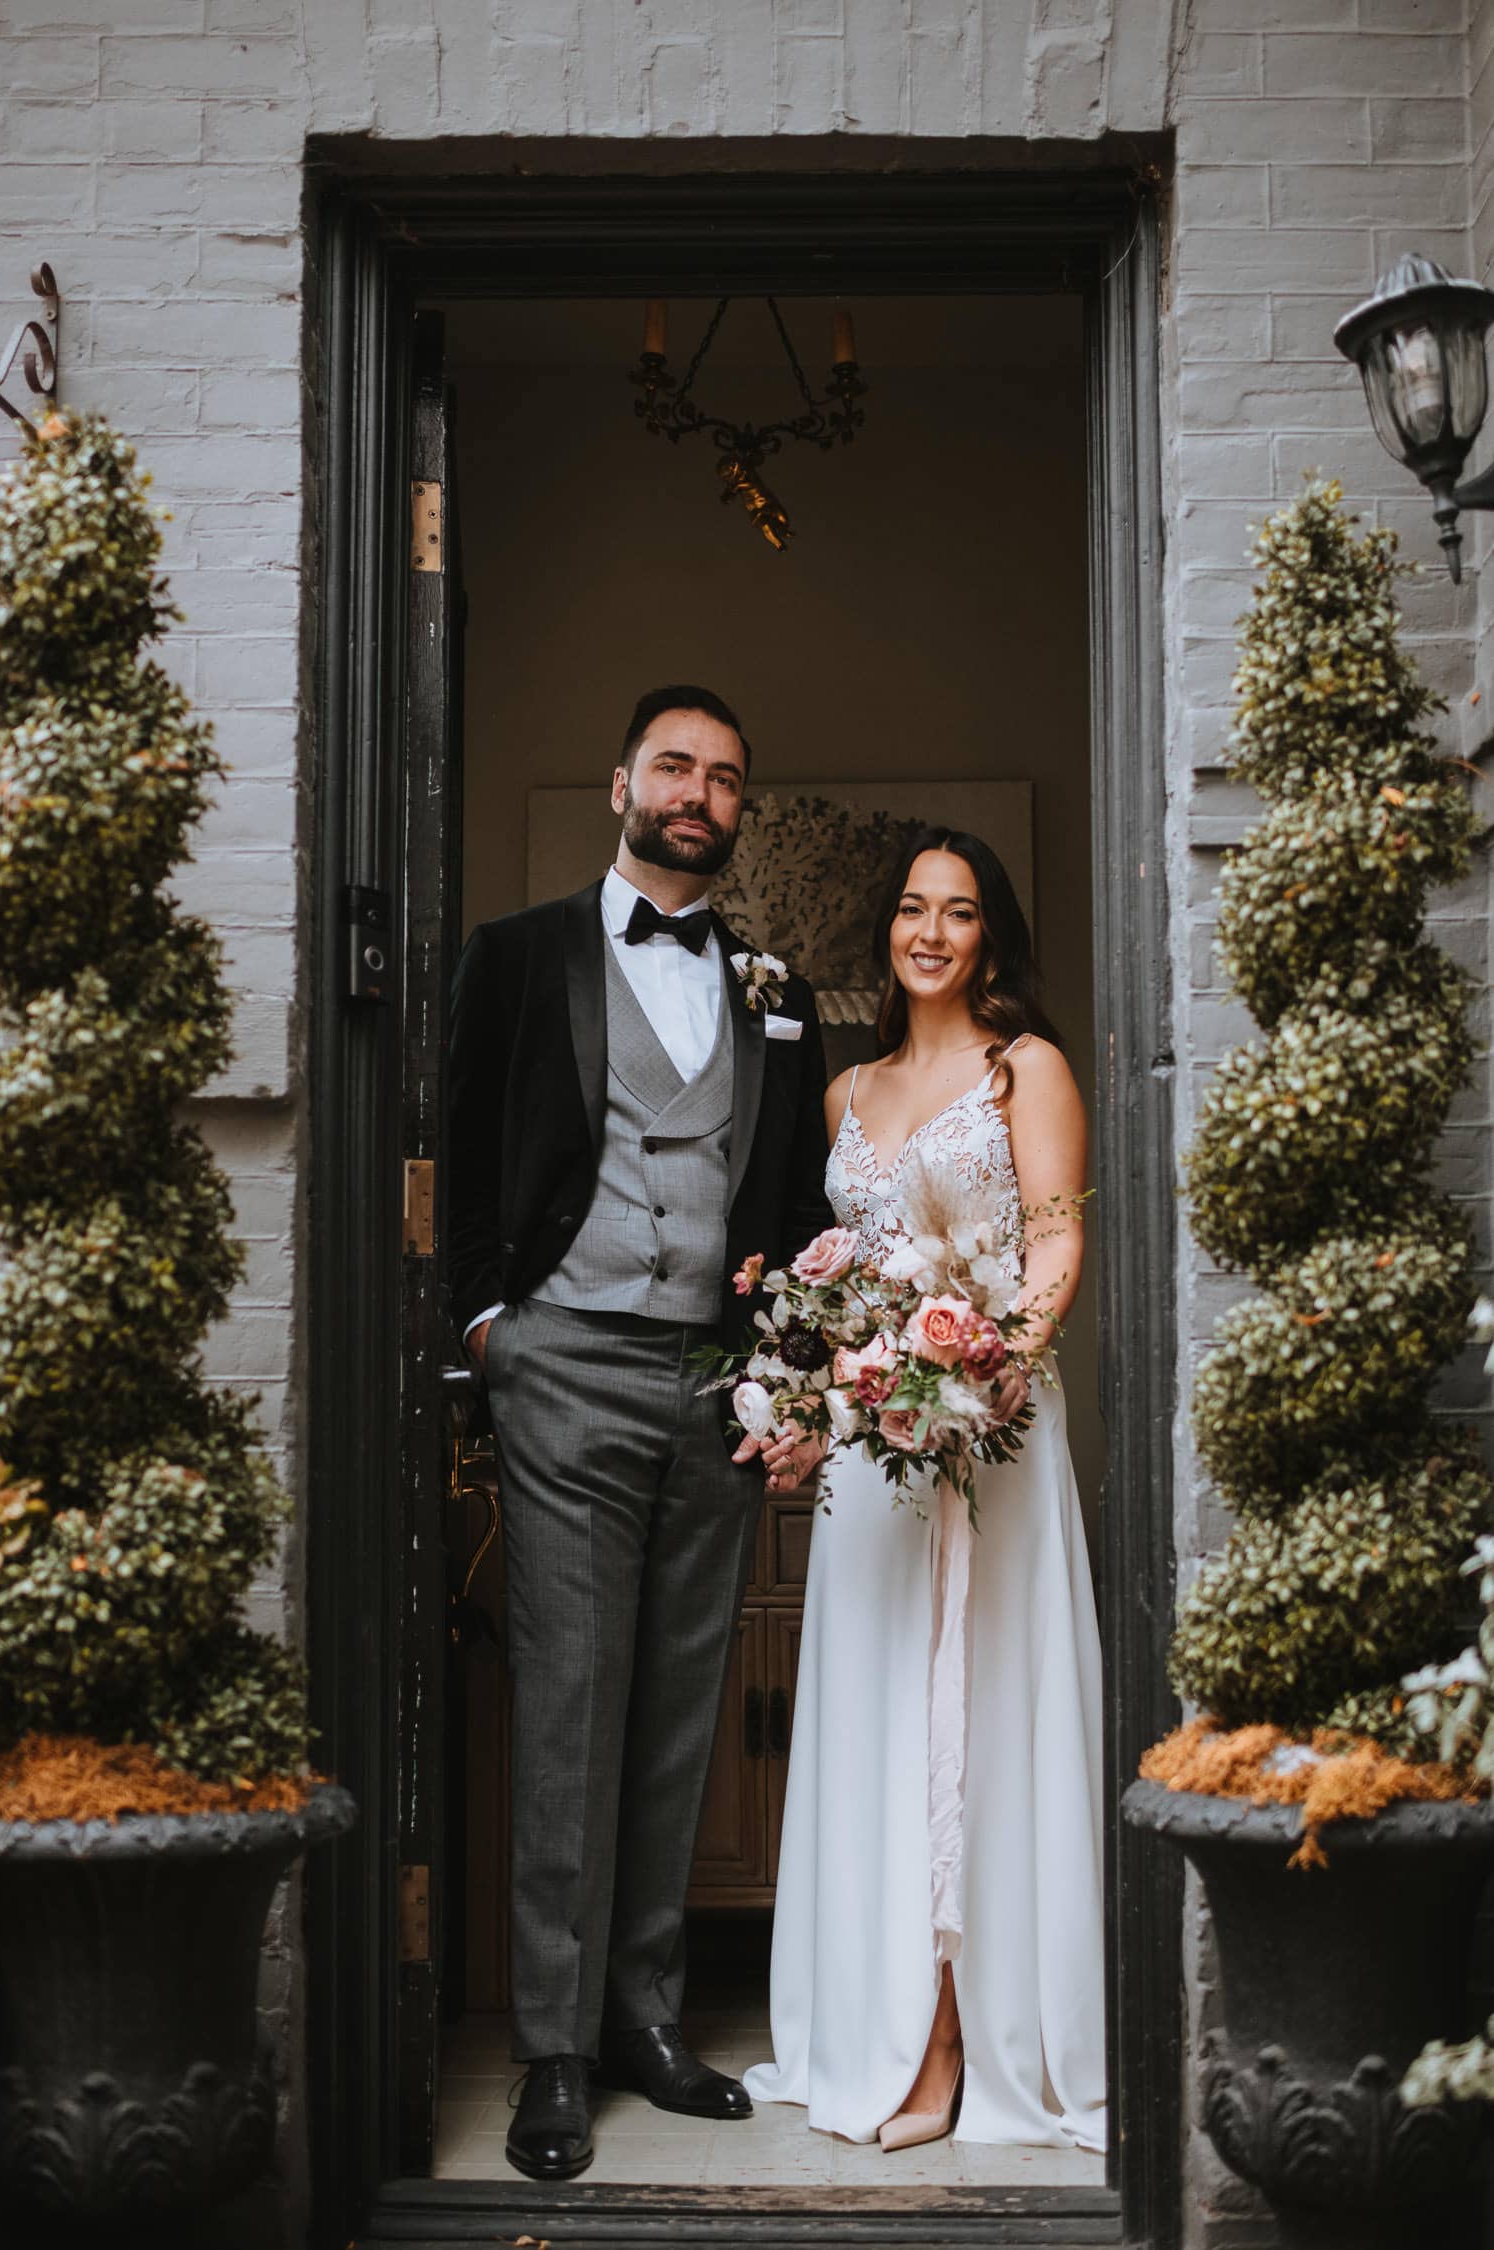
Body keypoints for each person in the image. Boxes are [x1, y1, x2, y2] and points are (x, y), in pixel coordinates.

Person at [447, 684, 833, 2181]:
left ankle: (644, 2016)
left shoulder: (776, 986)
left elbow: (794, 1196)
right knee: (569, 1701)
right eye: (676, 764)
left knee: (680, 1709)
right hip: (563, 1364)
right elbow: (463, 1152)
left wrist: (781, 1368)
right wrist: (489, 1328)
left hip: (716, 1382)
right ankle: (552, 2045)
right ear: (622, 780)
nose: (699, 791)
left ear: (741, 810)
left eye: (728, 776)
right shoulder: (517, 954)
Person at [743, 826, 1107, 2154]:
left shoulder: (1027, 1071)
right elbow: (831, 1273)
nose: (933, 931)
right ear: (887, 932)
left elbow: (1058, 1235)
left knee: (980, 1718)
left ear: (990, 935)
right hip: (869, 1455)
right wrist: (821, 1392)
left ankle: (960, 2040)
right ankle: (876, 2020)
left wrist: (993, 1362)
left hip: (988, 1432)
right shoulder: (846, 1094)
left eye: (959, 911)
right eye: (913, 908)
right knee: (880, 1718)